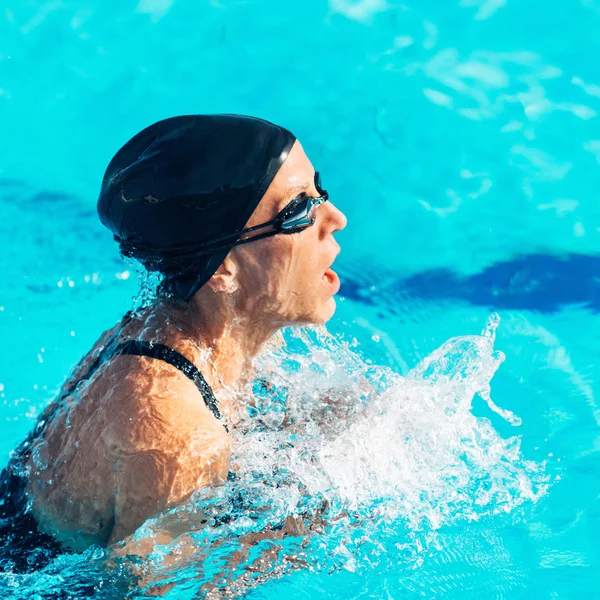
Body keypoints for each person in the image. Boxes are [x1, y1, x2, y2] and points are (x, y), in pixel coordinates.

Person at [0, 114, 347, 567]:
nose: (335, 218)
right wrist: (293, 537)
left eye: (319, 191)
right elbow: (142, 592)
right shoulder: (176, 436)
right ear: (223, 270)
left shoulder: (160, 330)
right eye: (297, 212)